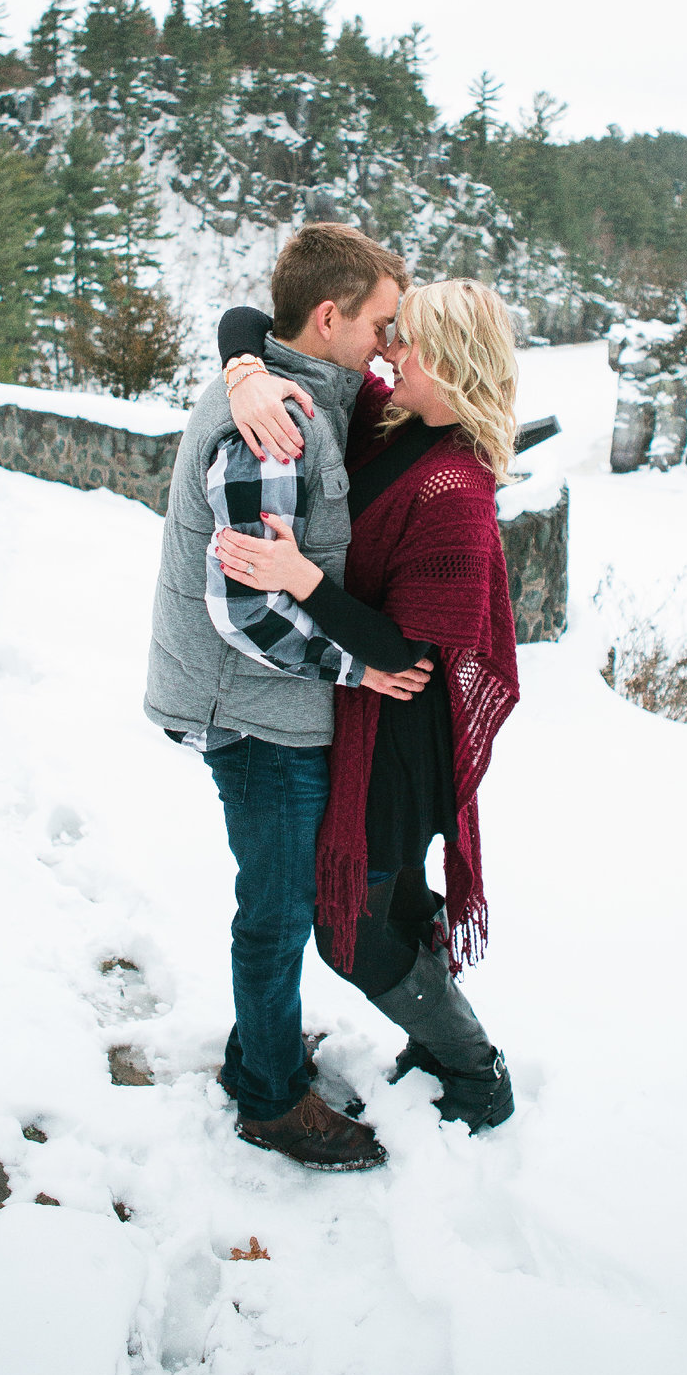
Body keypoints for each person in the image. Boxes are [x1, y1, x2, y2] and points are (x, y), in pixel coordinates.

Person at [210, 278, 523, 1135]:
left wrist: (297, 578)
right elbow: (253, 320)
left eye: (408, 342)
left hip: (400, 725)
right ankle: (438, 1043)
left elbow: (410, 651)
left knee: (350, 927)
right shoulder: (394, 418)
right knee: (390, 901)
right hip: (367, 711)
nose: (390, 352)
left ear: (451, 362)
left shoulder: (454, 485)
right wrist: (245, 372)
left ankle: (472, 1065)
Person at [144, 221, 414, 1170]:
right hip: (253, 712)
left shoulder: (293, 387)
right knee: (278, 905)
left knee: (277, 898)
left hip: (268, 705)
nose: (392, 341)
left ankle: (258, 1045)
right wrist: (360, 667)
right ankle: (267, 1096)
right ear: (331, 315)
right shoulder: (276, 426)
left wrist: (242, 358)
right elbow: (249, 614)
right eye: (383, 322)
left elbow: (252, 320)